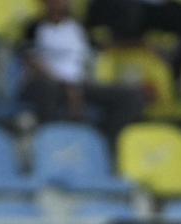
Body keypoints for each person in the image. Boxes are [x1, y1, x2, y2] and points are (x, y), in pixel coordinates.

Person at [21, 0, 144, 138]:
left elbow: (94, 55)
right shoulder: (34, 27)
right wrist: (66, 84)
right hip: (48, 82)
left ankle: (105, 140)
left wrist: (82, 82)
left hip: (81, 83)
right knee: (48, 89)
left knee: (131, 96)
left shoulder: (80, 27)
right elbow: (32, 61)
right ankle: (49, 138)